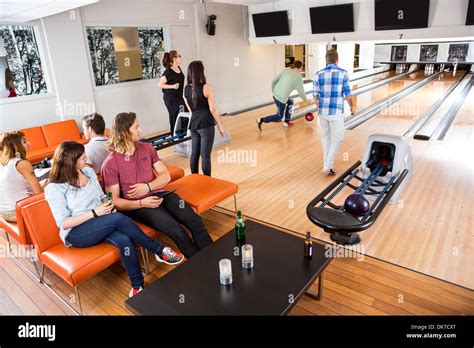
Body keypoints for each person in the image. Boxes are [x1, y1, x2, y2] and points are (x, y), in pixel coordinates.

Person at [44, 141, 184, 298]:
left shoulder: (88, 172)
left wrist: (108, 204)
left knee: (124, 239)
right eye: (83, 157)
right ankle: (158, 250)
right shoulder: (54, 188)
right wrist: (95, 213)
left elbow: (103, 197)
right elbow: (63, 223)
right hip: (76, 232)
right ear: (70, 162)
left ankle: (137, 287)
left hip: (100, 221)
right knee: (118, 218)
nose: (87, 158)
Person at [101, 112, 213, 259]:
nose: (140, 130)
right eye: (136, 127)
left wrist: (148, 187)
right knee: (177, 231)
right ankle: (204, 265)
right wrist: (141, 202)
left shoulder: (146, 148)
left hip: (160, 193)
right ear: (124, 132)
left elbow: (165, 176)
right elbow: (114, 201)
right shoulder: (110, 164)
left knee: (195, 220)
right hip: (138, 205)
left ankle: (214, 257)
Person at [313, 48, 354, 175]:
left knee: (326, 137)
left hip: (322, 112)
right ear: (337, 59)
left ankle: (328, 164)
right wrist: (352, 107)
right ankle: (327, 163)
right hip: (335, 111)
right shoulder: (343, 73)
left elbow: (315, 94)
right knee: (338, 138)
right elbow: (347, 94)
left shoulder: (318, 74)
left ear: (326, 59)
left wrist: (319, 107)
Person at [183, 60, 225, 176]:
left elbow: (190, 109)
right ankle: (207, 181)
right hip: (205, 123)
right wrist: (220, 125)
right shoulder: (207, 87)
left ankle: (195, 178)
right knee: (205, 155)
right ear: (200, 72)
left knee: (195, 153)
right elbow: (212, 109)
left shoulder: (186, 88)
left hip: (194, 124)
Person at [0, 132, 42, 222]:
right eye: (24, 141)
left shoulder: (3, 162)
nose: (28, 143)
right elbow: (38, 193)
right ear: (16, 146)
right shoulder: (21, 163)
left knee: (44, 183)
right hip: (18, 213)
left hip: (4, 213)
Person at [256, 60, 308, 130]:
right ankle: (261, 120)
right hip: (281, 98)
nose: (301, 70)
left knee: (290, 101)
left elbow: (273, 81)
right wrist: (306, 101)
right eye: (302, 68)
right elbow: (301, 93)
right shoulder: (298, 77)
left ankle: (286, 122)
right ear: (299, 68)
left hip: (275, 94)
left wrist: (274, 91)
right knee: (279, 116)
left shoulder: (286, 70)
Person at [158, 50, 187, 134]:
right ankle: (175, 135)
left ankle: (183, 133)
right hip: (170, 98)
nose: (180, 57)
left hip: (179, 97)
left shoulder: (178, 68)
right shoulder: (168, 71)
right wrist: (173, 86)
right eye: (179, 56)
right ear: (174, 58)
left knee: (183, 112)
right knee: (175, 115)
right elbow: (160, 84)